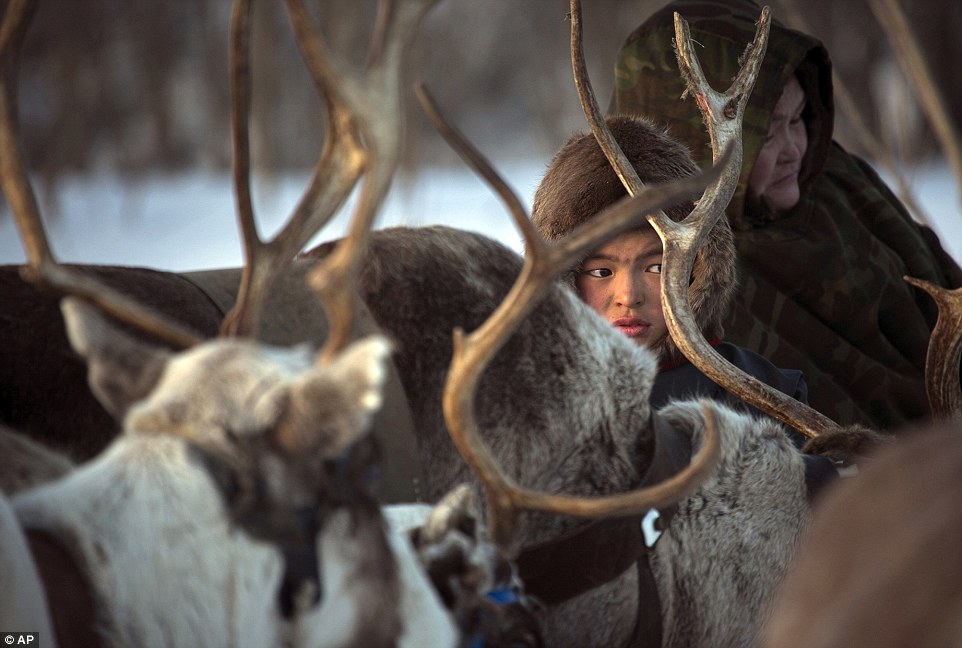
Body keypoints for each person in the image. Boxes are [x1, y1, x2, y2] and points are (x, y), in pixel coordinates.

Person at [610, 0, 962, 431]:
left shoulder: (836, 180)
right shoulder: (684, 283)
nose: (795, 148)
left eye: (798, 118)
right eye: (768, 130)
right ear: (693, 141)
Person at [531, 114, 809, 447]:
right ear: (561, 281)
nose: (628, 296)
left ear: (699, 270)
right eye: (602, 272)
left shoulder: (767, 399)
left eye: (657, 268)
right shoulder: (522, 404)